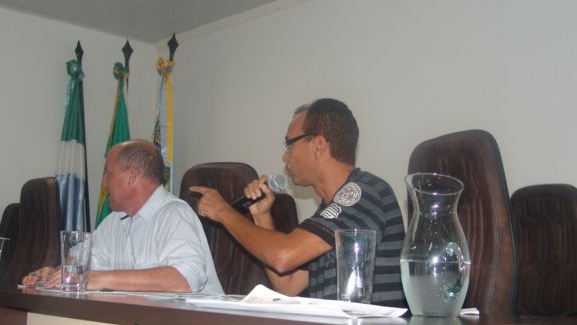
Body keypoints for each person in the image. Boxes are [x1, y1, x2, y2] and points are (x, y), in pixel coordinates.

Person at [191, 98, 406, 306]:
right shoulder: (328, 214)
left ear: (318, 145)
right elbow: (288, 285)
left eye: (289, 145)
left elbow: (283, 256)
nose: (285, 157)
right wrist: (262, 217)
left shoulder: (362, 192)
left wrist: (224, 212)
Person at [23, 139, 223, 295]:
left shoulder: (174, 214)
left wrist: (101, 279)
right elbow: (86, 267)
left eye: (108, 173)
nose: (104, 183)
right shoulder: (114, 221)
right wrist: (57, 273)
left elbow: (184, 280)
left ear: (132, 176)